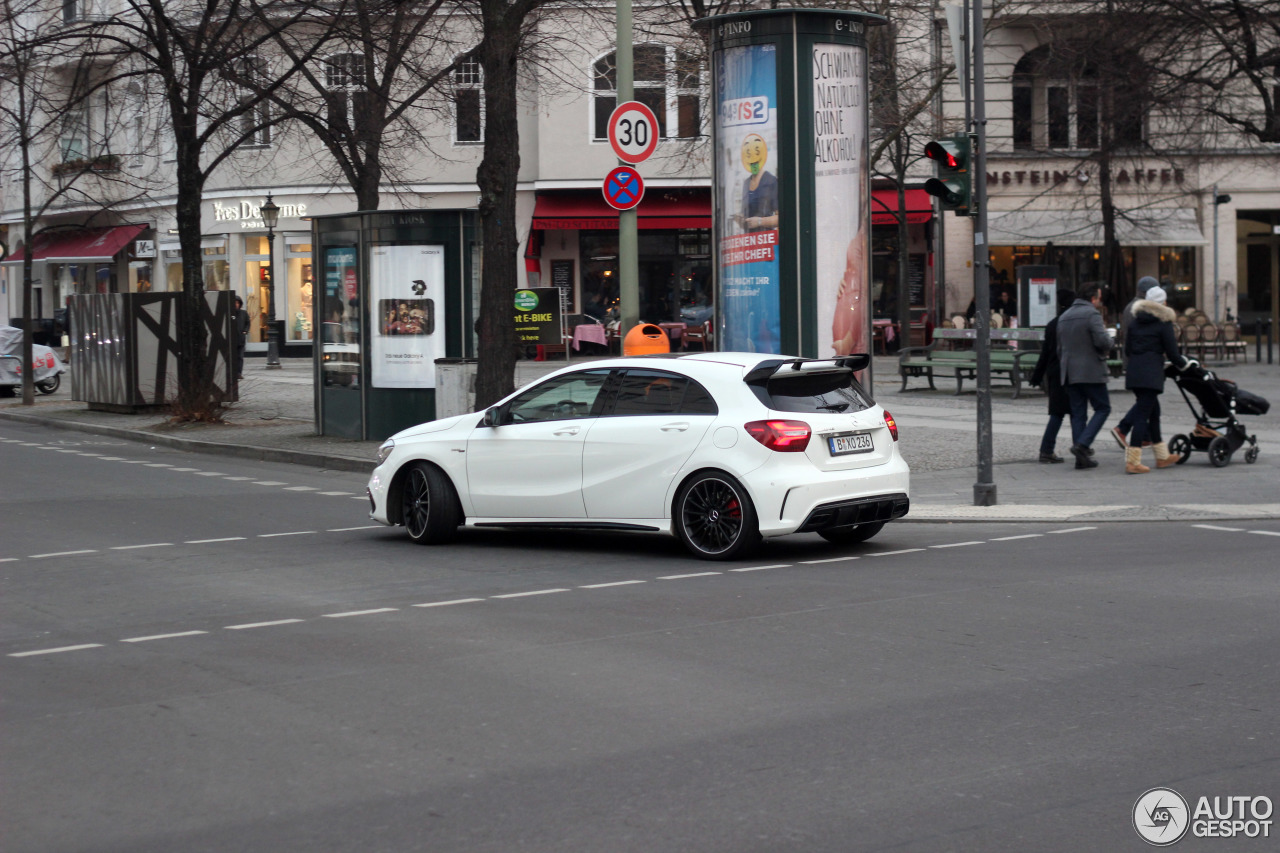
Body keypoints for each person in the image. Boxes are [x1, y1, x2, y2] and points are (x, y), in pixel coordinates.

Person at [1119, 285, 1191, 473]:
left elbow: (1127, 349)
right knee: (1142, 416)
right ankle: (1133, 462)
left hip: (1135, 373)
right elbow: (1172, 353)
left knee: (1153, 412)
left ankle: (1162, 456)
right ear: (1162, 303)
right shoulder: (1163, 323)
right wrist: (1184, 364)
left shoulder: (1135, 322)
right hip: (1151, 374)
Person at [1057, 283, 1113, 469]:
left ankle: (1081, 457)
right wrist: (1111, 340)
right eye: (1098, 298)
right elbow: (1102, 341)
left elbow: (1060, 348)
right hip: (1090, 371)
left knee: (1078, 414)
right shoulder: (1092, 314)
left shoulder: (1064, 317)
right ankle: (1082, 445)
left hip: (1069, 372)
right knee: (1103, 408)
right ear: (1092, 299)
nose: (1100, 301)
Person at [1109, 275, 1160, 447]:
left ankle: (1147, 437)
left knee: (1149, 403)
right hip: (1139, 363)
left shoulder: (1131, 306)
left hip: (1134, 361)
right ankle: (1123, 429)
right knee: (1146, 402)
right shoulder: (1138, 309)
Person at [1029, 289, 1077, 463]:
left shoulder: (1052, 324)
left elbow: (1045, 354)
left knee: (1057, 413)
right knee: (1076, 412)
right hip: (1071, 372)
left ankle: (1046, 450)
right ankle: (1080, 447)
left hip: (1054, 372)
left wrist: (1037, 375)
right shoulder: (1073, 323)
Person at [736, 133, 779, 233]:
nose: (752, 158)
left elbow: (781, 218)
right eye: (748, 154)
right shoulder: (746, 183)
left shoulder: (771, 181)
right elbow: (745, 214)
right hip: (750, 240)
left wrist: (760, 222)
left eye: (757, 152)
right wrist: (741, 220)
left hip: (766, 239)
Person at [231, 295, 249, 380]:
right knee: (232, 357)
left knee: (240, 357)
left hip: (241, 339)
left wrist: (245, 331)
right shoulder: (230, 313)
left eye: (237, 303)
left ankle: (239, 373)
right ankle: (233, 373)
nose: (236, 304)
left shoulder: (244, 313)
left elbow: (247, 323)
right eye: (234, 302)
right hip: (232, 339)